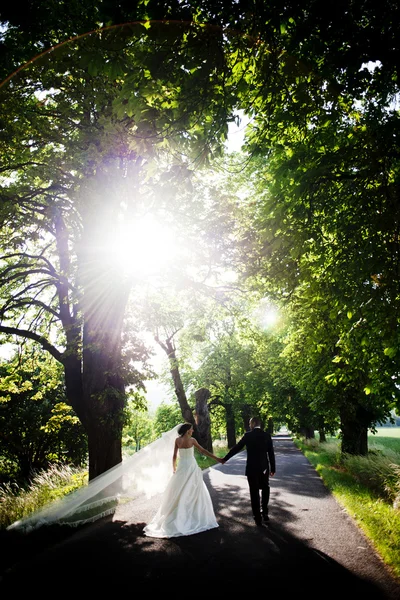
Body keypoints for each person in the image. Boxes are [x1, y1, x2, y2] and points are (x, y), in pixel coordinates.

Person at [143, 422, 223, 538]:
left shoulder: (177, 440)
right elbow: (203, 451)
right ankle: (192, 515)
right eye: (191, 429)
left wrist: (174, 467)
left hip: (182, 467)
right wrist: (217, 459)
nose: (193, 431)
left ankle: (178, 512)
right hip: (191, 466)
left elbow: (174, 456)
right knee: (194, 490)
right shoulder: (192, 440)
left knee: (179, 489)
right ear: (187, 431)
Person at [221, 416, 275, 527]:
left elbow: (236, 448)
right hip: (264, 468)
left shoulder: (248, 436)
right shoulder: (266, 435)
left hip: (251, 468)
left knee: (254, 492)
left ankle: (257, 518)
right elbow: (271, 453)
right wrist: (273, 468)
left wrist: (225, 459)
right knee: (265, 489)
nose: (249, 425)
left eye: (250, 423)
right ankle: (265, 513)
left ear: (254, 423)